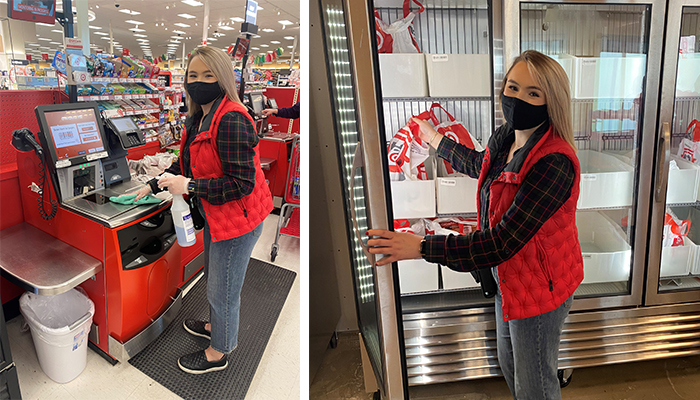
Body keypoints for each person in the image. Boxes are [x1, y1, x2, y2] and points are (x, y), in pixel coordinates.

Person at [367, 50, 583, 400]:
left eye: (533, 93)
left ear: (551, 101)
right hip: (508, 277)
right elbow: (479, 164)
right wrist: (436, 142)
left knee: (536, 384)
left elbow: (501, 242)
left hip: (541, 287)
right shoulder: (507, 137)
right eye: (512, 88)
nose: (517, 99)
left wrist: (420, 247)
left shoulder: (554, 163)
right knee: (510, 362)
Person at [134, 45, 274, 374]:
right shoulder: (199, 116)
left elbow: (241, 183)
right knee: (215, 279)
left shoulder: (232, 120)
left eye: (208, 75)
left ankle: (219, 352)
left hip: (238, 221)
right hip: (217, 216)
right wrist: (156, 182)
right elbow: (187, 162)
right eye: (193, 75)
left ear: (223, 78)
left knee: (223, 290)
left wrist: (191, 187)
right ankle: (216, 327)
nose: (199, 82)